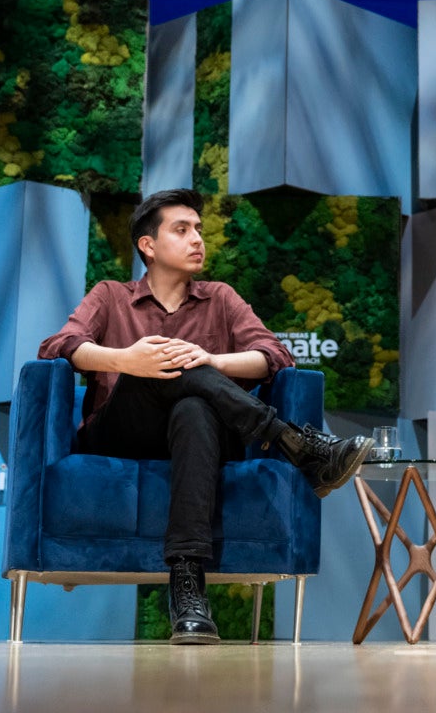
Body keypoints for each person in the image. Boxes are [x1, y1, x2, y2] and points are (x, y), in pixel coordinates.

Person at [38, 188, 372, 644]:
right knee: (157, 361)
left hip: (203, 435)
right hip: (121, 430)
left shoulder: (219, 297)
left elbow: (275, 355)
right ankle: (294, 442)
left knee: (194, 404)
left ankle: (188, 589)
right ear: (148, 246)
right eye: (182, 229)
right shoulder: (111, 295)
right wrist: (126, 360)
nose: (197, 238)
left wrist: (212, 361)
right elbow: (58, 346)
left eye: (199, 229)